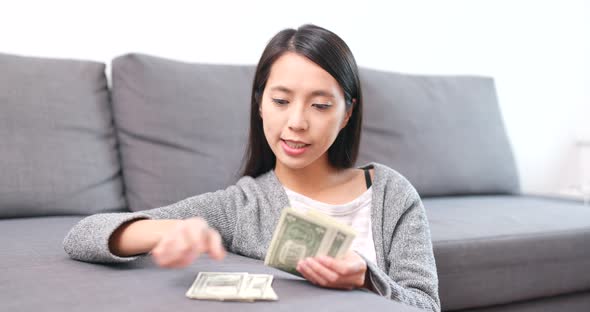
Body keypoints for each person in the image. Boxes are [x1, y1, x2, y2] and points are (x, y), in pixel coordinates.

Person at [63, 24, 440, 312]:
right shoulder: (241, 206)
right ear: (260, 104)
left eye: (320, 106)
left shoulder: (392, 194)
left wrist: (366, 279)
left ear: (347, 114)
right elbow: (82, 235)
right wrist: (170, 229)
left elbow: (427, 304)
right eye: (281, 100)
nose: (296, 122)